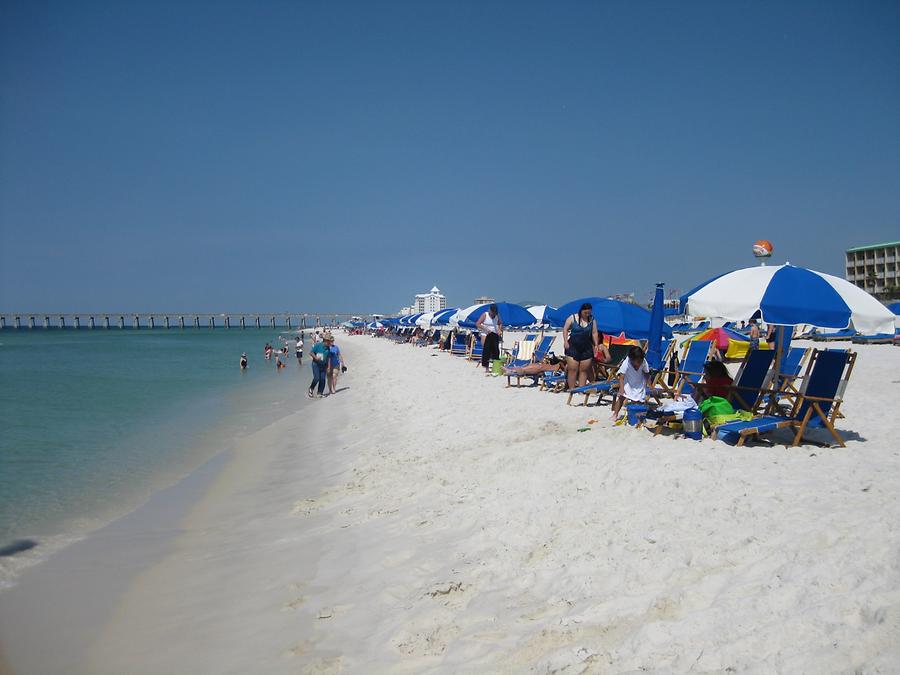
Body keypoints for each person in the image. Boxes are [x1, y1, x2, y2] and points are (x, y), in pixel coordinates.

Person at [563, 303, 601, 391]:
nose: (587, 315)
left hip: (586, 347)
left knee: (584, 370)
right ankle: (572, 389)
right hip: (573, 346)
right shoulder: (572, 318)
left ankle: (581, 389)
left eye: (589, 313)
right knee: (573, 369)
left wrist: (596, 344)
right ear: (581, 311)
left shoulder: (592, 320)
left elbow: (594, 332)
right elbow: (565, 329)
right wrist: (565, 341)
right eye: (585, 313)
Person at [611, 346, 650, 420]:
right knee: (621, 398)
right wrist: (621, 389)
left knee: (636, 400)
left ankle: (636, 416)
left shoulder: (644, 362)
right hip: (628, 382)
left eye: (640, 361)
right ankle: (615, 414)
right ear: (631, 359)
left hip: (639, 383)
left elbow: (646, 373)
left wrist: (649, 385)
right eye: (637, 362)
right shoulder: (627, 362)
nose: (639, 363)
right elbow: (621, 377)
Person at [475, 304, 503, 373]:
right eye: (492, 313)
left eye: (494, 313)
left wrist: (499, 329)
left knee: (496, 351)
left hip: (494, 334)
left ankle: (495, 367)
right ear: (490, 311)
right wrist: (486, 329)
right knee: (486, 350)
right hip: (485, 333)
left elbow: (500, 323)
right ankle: (487, 368)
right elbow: (478, 324)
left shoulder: (497, 315)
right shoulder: (485, 315)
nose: (493, 314)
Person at [308, 334, 331, 398]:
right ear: (325, 341)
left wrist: (329, 367)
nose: (330, 342)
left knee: (323, 379)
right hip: (316, 364)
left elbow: (328, 358)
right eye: (328, 341)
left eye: (330, 341)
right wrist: (315, 357)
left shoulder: (328, 348)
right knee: (317, 378)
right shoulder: (318, 345)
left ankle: (319, 393)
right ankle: (311, 389)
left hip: (323, 365)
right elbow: (311, 352)